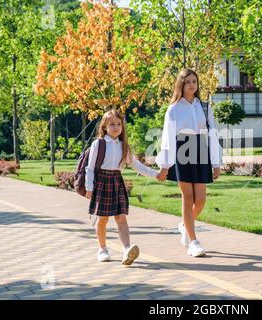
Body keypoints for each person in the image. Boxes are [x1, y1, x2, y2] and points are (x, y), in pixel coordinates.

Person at [156, 68, 222, 257]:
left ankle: (185, 225)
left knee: (200, 200)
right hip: (181, 149)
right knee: (188, 197)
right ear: (181, 85)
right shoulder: (174, 108)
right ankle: (193, 242)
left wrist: (216, 163)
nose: (192, 85)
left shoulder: (205, 106)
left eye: (194, 81)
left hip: (200, 149)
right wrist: (165, 165)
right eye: (188, 82)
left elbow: (212, 133)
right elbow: (168, 137)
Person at [86, 109, 158, 264]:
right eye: (112, 124)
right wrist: (89, 187)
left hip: (116, 181)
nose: (116, 127)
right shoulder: (98, 144)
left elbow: (136, 165)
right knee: (103, 219)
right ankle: (102, 249)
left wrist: (155, 174)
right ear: (104, 127)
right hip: (102, 182)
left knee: (121, 217)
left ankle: (127, 250)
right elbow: (90, 167)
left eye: (119, 124)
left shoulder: (123, 146)